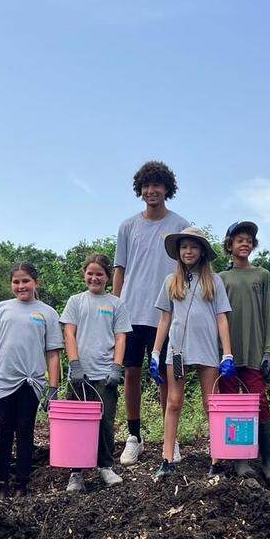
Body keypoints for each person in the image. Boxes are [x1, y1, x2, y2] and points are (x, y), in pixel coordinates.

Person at [112, 160, 190, 466]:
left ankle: (170, 439)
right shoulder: (128, 226)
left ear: (167, 189)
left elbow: (188, 271)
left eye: (157, 185)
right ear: (139, 190)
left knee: (166, 376)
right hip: (131, 312)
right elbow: (120, 270)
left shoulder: (181, 225)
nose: (151, 191)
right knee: (131, 373)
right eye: (146, 185)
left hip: (167, 314)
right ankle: (134, 436)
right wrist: (114, 309)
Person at [150, 227, 236, 481]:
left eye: (194, 246)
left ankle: (217, 459)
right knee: (173, 401)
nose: (188, 251)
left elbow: (222, 318)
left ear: (202, 251)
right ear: (178, 251)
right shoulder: (170, 281)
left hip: (206, 347)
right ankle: (167, 459)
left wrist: (227, 353)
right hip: (177, 349)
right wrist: (155, 352)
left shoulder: (214, 280)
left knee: (212, 403)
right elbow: (165, 319)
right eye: (184, 246)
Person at [0, 262, 63, 495]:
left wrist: (53, 388)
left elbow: (53, 353)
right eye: (16, 282)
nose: (21, 286)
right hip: (2, 379)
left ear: (36, 282)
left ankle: (22, 482)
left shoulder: (48, 313)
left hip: (31, 382)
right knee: (3, 430)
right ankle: (1, 481)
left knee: (25, 430)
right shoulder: (1, 309)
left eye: (25, 281)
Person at [60, 252, 132, 493]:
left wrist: (117, 367)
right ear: (84, 275)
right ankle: (76, 472)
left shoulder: (116, 304)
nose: (94, 278)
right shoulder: (76, 301)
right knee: (77, 425)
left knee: (105, 421)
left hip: (105, 374)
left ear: (108, 277)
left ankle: (105, 466)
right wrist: (75, 364)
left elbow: (121, 337)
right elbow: (69, 333)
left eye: (99, 274)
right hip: (80, 375)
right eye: (90, 273)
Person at [218, 221, 270, 485]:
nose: (244, 244)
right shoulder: (221, 279)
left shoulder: (263, 276)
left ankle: (268, 460)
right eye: (239, 240)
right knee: (231, 403)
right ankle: (240, 458)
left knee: (259, 402)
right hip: (228, 353)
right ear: (230, 245)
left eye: (248, 240)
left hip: (255, 350)